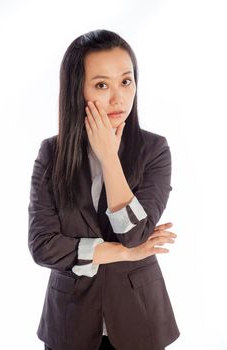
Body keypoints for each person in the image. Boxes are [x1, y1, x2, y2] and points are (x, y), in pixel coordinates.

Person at [28, 29, 180, 350]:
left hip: (139, 317)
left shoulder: (153, 150)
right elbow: (43, 246)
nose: (118, 98)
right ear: (77, 91)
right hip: (70, 321)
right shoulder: (51, 154)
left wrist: (110, 158)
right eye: (101, 85)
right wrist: (123, 254)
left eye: (126, 81)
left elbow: (135, 235)